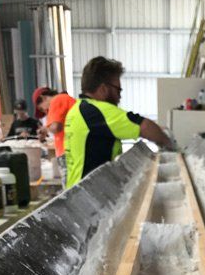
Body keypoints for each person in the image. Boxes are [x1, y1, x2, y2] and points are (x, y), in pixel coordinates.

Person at [64, 56, 172, 188]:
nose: (120, 96)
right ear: (103, 89)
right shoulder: (96, 111)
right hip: (88, 193)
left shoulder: (78, 109)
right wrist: (171, 146)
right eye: (118, 90)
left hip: (78, 190)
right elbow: (145, 127)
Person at [37, 91, 76, 186]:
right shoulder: (65, 99)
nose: (46, 112)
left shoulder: (57, 100)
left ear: (43, 98)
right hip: (73, 149)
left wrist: (46, 128)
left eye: (42, 109)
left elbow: (55, 128)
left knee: (69, 189)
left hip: (67, 151)